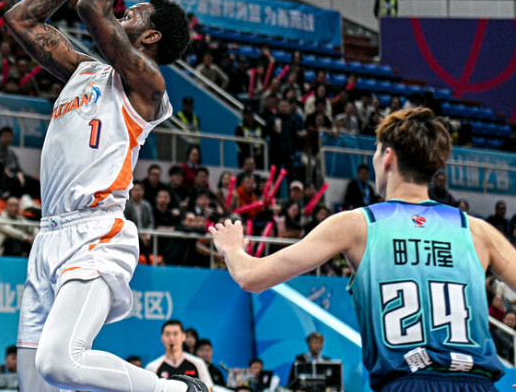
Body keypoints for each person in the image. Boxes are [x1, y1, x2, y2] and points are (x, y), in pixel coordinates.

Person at [5, 0, 200, 392]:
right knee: (33, 383)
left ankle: (180, 389)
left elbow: (92, 7)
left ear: (150, 36)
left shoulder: (147, 84)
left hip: (96, 232)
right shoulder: (87, 70)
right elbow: (20, 20)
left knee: (61, 362)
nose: (123, 10)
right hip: (48, 235)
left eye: (132, 13)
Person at [210, 107, 513, 392]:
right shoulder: (476, 230)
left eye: (376, 151)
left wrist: (232, 248)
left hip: (407, 383)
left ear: (388, 157)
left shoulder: (358, 225)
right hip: (478, 384)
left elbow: (251, 276)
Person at [144, 321, 212, 388]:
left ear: (184, 336)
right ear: (162, 338)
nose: (171, 338)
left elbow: (208, 388)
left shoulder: (198, 364)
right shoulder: (153, 367)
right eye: (167, 334)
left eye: (175, 334)